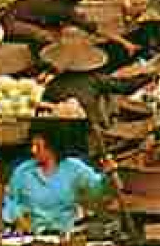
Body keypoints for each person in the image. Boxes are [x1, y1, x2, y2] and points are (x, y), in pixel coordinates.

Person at [39, 31, 146, 161]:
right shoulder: (93, 79)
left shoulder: (52, 85)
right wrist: (150, 76)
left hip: (61, 136)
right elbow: (126, 87)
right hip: (88, 133)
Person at [2, 123, 110, 235]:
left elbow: (96, 188)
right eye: (32, 146)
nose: (33, 150)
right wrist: (18, 217)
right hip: (33, 234)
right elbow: (10, 199)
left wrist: (107, 174)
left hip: (66, 232)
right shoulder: (24, 171)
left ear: (52, 148)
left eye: (38, 146)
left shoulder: (74, 167)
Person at [2, 0, 102, 48]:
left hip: (28, 19)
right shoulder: (59, 6)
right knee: (51, 39)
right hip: (14, 24)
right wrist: (94, 28)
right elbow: (79, 21)